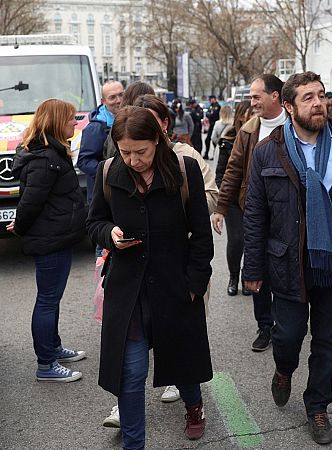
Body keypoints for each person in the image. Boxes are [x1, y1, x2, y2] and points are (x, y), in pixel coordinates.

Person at [242, 71, 332, 445]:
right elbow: (255, 214)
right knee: (287, 336)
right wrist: (252, 268)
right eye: (307, 98)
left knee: (328, 339)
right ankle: (284, 369)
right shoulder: (267, 151)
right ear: (288, 107)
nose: (318, 103)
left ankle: (317, 406)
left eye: (320, 95)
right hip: (287, 260)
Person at [86, 106, 214, 448]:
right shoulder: (107, 172)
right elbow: (93, 222)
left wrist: (194, 285)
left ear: (157, 140)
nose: (132, 160)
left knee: (181, 364)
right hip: (129, 293)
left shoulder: (184, 171)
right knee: (130, 376)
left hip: (175, 287)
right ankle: (134, 444)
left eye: (140, 151)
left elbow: (202, 235)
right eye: (125, 151)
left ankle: (194, 406)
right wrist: (108, 232)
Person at [8, 99, 88, 383]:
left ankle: (53, 348)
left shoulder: (52, 152)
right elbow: (30, 203)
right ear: (55, 122)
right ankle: (46, 364)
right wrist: (21, 227)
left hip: (57, 237)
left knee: (51, 300)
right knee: (47, 300)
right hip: (49, 239)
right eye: (70, 119)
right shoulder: (45, 158)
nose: (75, 123)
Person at [212, 74, 285, 351]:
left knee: (288, 271)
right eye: (252, 97)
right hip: (254, 211)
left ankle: (287, 324)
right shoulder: (248, 130)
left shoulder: (294, 125)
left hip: (288, 215)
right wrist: (221, 207)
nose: (252, 102)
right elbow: (233, 170)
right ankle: (264, 327)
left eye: (257, 96)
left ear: (275, 96)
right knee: (258, 269)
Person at [215, 101, 250, 296]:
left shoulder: (265, 137)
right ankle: (234, 276)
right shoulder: (228, 139)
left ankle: (248, 276)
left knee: (252, 240)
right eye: (247, 114)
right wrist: (224, 196)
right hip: (234, 199)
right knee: (236, 239)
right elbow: (220, 172)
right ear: (240, 116)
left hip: (255, 199)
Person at [78, 79, 124, 204]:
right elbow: (84, 161)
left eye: (121, 94)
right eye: (112, 97)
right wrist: (109, 173)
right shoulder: (96, 127)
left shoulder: (127, 118)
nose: (119, 100)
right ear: (103, 101)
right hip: (102, 196)